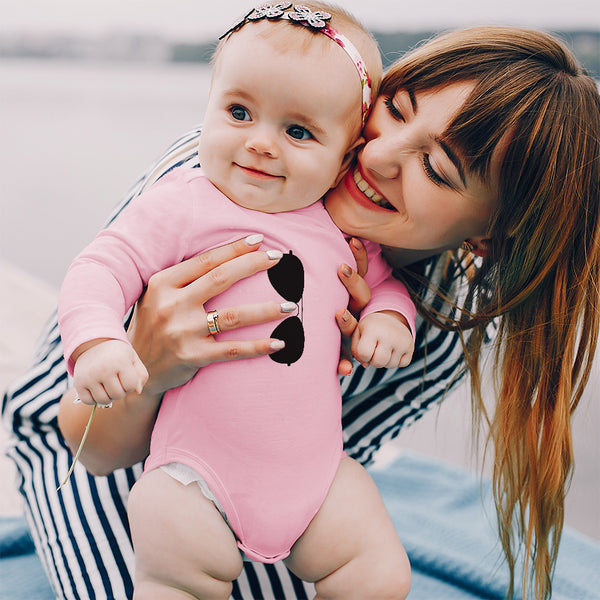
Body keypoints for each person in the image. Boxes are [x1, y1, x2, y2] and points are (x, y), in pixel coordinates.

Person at [3, 22, 599, 600]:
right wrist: (150, 357)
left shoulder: (436, 331)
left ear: (487, 237)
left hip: (256, 483)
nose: (379, 157)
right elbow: (93, 447)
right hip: (86, 439)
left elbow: (310, 481)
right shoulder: (230, 168)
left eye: (437, 170)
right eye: (395, 110)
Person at [57, 3, 414, 598]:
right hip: (194, 476)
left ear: (346, 155)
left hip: (315, 477)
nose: (259, 144)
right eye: (239, 112)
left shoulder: (335, 227)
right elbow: (100, 266)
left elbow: (384, 286)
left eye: (298, 131)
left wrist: (388, 318)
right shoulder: (186, 202)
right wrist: (97, 342)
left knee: (378, 571)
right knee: (177, 575)